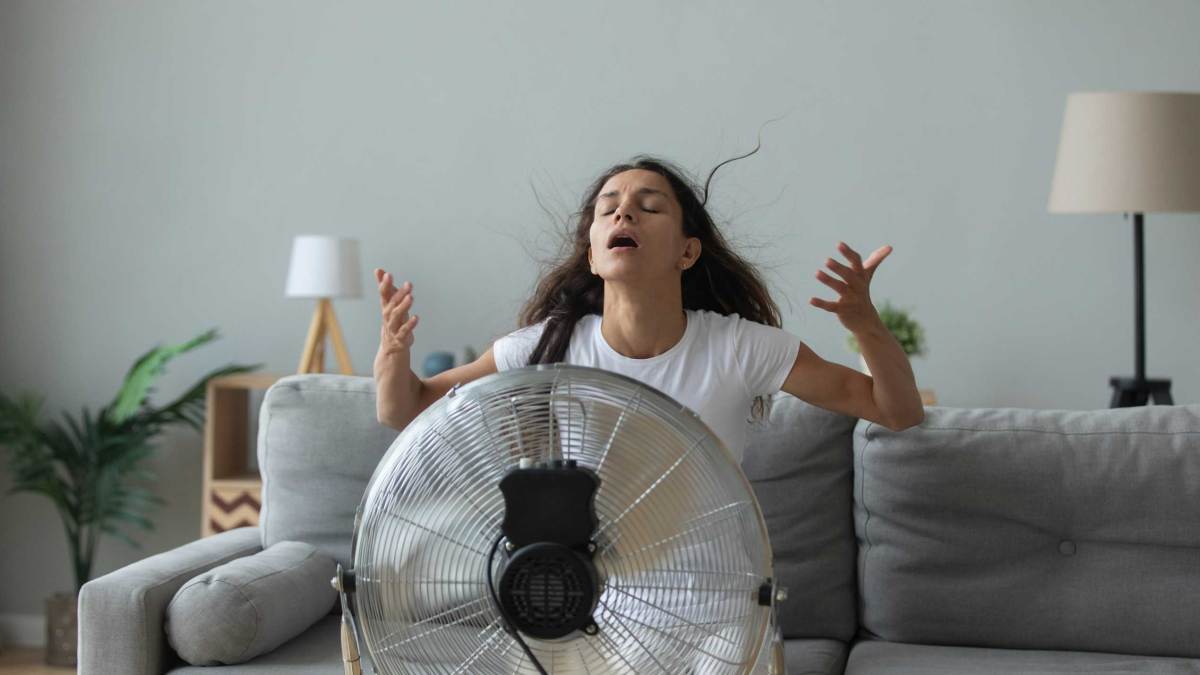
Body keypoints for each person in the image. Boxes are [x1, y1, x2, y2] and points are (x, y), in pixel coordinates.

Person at [373, 154, 924, 461]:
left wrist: (864, 324)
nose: (624, 215)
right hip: (592, 605)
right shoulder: (545, 351)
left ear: (688, 251)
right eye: (608, 208)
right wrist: (392, 354)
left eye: (649, 206)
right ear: (592, 254)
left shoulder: (739, 347)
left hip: (723, 602)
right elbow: (404, 410)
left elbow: (897, 411)